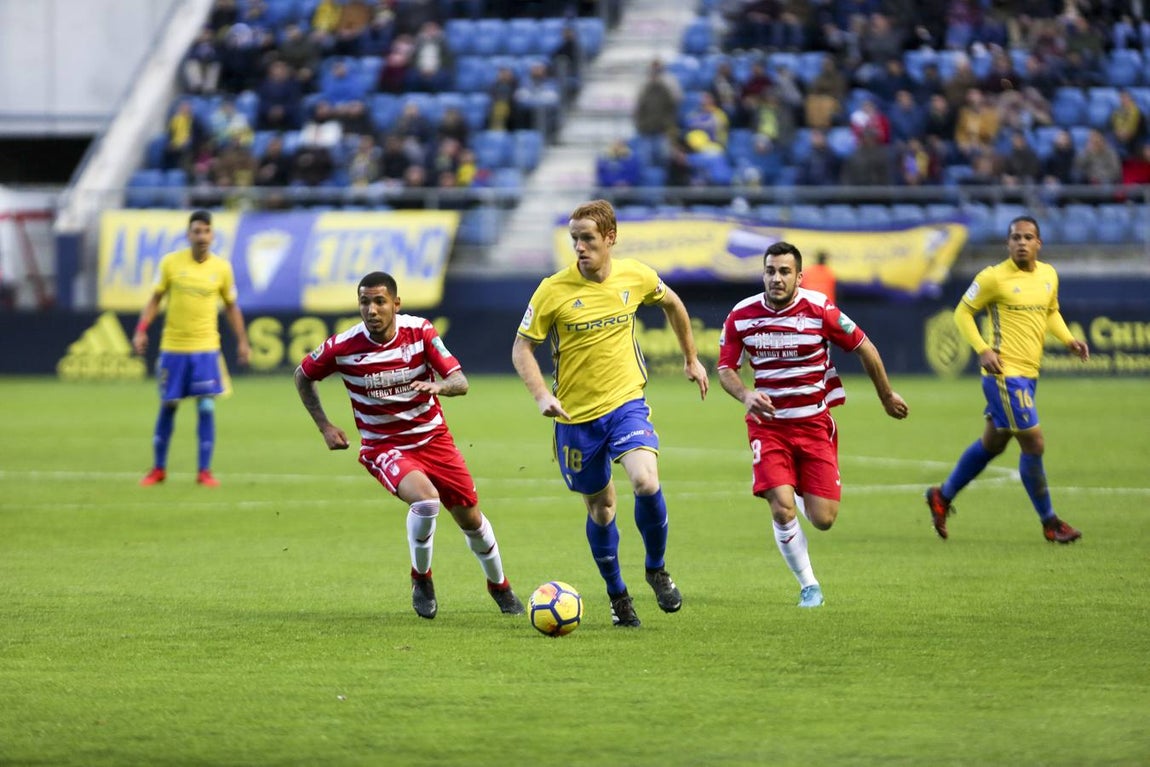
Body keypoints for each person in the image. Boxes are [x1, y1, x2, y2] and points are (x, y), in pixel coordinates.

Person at [511, 199, 710, 628]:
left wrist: (691, 358)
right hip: (575, 419)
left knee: (645, 479)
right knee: (601, 509)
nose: (579, 248)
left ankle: (656, 569)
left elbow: (673, 304)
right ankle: (618, 595)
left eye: (588, 239)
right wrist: (541, 395)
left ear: (610, 238)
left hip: (625, 403)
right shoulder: (552, 290)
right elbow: (522, 347)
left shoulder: (635, 276)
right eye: (574, 240)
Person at [293, 271, 524, 620]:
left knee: (471, 519)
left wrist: (440, 387)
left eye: (379, 301)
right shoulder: (343, 346)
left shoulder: (420, 332)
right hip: (383, 446)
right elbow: (303, 375)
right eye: (364, 302)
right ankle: (422, 578)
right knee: (427, 499)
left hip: (434, 440)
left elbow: (460, 382)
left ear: (396, 304)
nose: (371, 310)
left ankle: (499, 585)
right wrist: (324, 426)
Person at [717, 241, 909, 608]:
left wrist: (886, 396)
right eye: (771, 271)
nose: (777, 278)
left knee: (823, 519)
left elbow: (865, 347)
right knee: (782, 507)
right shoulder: (741, 315)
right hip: (768, 426)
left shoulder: (820, 310)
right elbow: (726, 368)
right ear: (763, 274)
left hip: (814, 425)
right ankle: (809, 585)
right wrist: (745, 395)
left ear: (799, 276)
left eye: (785, 272)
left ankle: (795, 486)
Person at [925, 216, 1089, 544]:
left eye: (1028, 237)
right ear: (1008, 242)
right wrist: (983, 349)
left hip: (1029, 375)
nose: (1022, 242)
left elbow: (1050, 311)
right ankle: (1050, 522)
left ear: (1038, 243)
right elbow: (962, 312)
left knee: (994, 443)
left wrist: (1068, 339)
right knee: (1034, 442)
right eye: (1016, 237)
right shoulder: (993, 277)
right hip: (1004, 375)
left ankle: (942, 496)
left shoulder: (1048, 275)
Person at [134, 210, 250, 487]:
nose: (201, 236)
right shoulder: (171, 264)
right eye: (196, 231)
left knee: (207, 407)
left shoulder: (221, 268)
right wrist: (141, 331)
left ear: (212, 235)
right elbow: (155, 300)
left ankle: (204, 471)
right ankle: (159, 468)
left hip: (206, 349)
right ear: (188, 235)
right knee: (169, 405)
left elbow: (232, 307)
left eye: (206, 231)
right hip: (173, 348)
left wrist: (243, 341)